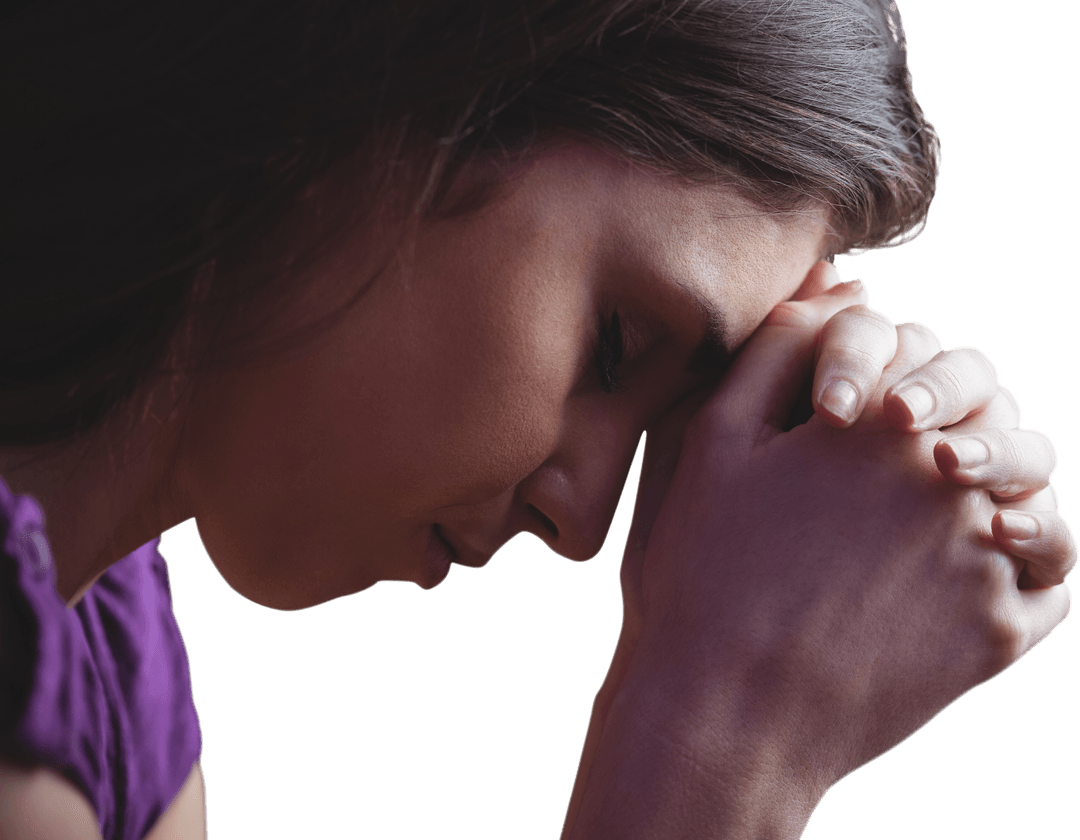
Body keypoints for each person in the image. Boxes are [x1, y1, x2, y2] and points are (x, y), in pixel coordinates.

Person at [0, 1, 1073, 838]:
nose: (586, 525)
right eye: (614, 345)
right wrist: (724, 732)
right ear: (376, 92)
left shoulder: (108, 672)